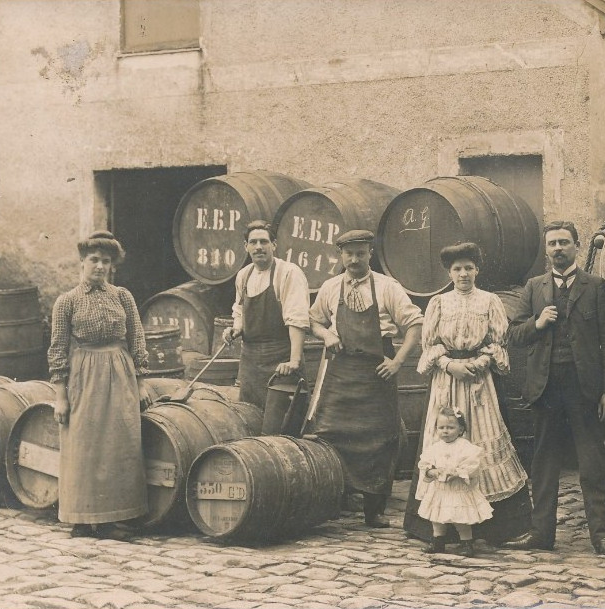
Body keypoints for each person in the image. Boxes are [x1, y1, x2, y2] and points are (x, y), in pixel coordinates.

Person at [503, 220, 605, 556]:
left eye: (564, 242)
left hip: (584, 387)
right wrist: (538, 323)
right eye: (553, 243)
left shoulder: (596, 287)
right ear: (546, 249)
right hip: (546, 387)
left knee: (593, 463)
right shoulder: (534, 287)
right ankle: (541, 533)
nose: (558, 248)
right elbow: (514, 334)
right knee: (544, 463)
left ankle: (602, 535)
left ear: (576, 246)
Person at [404, 242, 529, 545]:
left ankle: (494, 527)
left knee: (480, 439)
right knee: (443, 438)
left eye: (468, 268)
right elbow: (430, 344)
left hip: (478, 381)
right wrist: (448, 364)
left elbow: (498, 341)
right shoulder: (438, 303)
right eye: (457, 269)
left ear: (477, 270)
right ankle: (437, 528)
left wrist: (482, 361)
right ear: (450, 272)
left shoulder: (489, 301)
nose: (463, 274)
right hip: (447, 381)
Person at [308, 229, 424, 528]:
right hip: (341, 369)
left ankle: (375, 510)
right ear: (341, 256)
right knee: (330, 431)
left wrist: (397, 362)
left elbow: (415, 325)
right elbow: (313, 320)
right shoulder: (331, 287)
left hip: (377, 371)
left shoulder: (388, 287)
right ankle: (336, 499)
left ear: (370, 253)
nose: (355, 259)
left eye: (361, 253)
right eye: (349, 254)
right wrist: (326, 334)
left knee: (381, 438)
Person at [48, 231, 151, 539]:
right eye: (94, 260)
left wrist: (142, 382)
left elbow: (137, 339)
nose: (100, 266)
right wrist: (60, 397)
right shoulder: (67, 302)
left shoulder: (123, 297)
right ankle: (81, 519)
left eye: (106, 261)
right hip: (83, 374)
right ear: (82, 262)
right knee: (83, 445)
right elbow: (57, 350)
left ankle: (112, 519)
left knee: (119, 444)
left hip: (120, 373)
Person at [223, 220, 311, 420]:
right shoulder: (243, 275)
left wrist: (294, 360)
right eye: (253, 242)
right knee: (250, 419)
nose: (258, 247)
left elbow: (297, 318)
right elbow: (239, 310)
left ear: (274, 244)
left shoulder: (289, 272)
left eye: (264, 241)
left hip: (281, 361)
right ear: (246, 246)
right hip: (251, 364)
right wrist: (236, 329)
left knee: (282, 425)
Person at [418, 407, 493, 557]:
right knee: (436, 517)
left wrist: (458, 472)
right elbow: (424, 464)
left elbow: (472, 465)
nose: (445, 431)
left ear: (460, 430)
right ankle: (438, 541)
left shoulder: (465, 447)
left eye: (450, 427)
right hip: (440, 489)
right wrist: (432, 471)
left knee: (461, 517)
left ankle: (466, 542)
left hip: (458, 489)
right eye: (441, 428)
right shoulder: (434, 448)